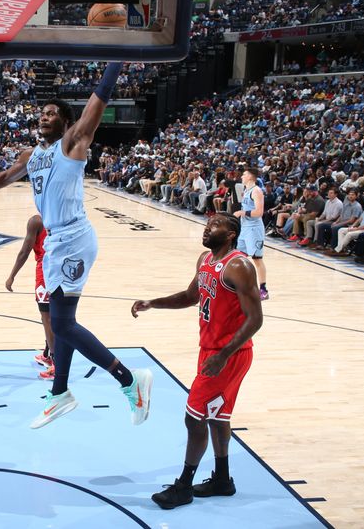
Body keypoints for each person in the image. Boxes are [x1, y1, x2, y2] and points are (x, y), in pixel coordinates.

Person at [0, 62, 153, 429]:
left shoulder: (72, 143)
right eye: (41, 113)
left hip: (73, 238)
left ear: (65, 121)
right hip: (58, 242)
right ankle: (59, 393)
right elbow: (6, 175)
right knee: (61, 324)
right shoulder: (33, 156)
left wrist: (116, 60)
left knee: (62, 324)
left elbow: (98, 103)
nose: (43, 117)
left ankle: (129, 380)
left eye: (51, 113)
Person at [131, 213, 263, 510]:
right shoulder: (205, 259)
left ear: (231, 234)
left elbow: (255, 319)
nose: (208, 227)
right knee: (217, 417)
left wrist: (223, 356)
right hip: (212, 351)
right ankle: (223, 479)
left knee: (194, 417)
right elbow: (191, 295)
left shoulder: (239, 265)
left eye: (216, 225)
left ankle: (184, 486)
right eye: (207, 223)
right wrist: (154, 303)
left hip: (229, 354)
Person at [5, 214, 55, 380]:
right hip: (64, 269)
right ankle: (48, 354)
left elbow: (25, 251)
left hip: (46, 271)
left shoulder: (37, 221)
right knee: (55, 316)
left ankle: (56, 363)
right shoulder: (63, 217)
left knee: (47, 318)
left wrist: (12, 275)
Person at [233, 168, 268, 300]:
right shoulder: (246, 191)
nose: (242, 176)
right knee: (239, 257)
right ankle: (240, 285)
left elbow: (259, 212)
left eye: (244, 174)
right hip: (245, 228)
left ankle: (263, 289)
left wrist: (243, 213)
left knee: (257, 259)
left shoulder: (256, 191)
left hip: (254, 229)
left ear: (251, 177)